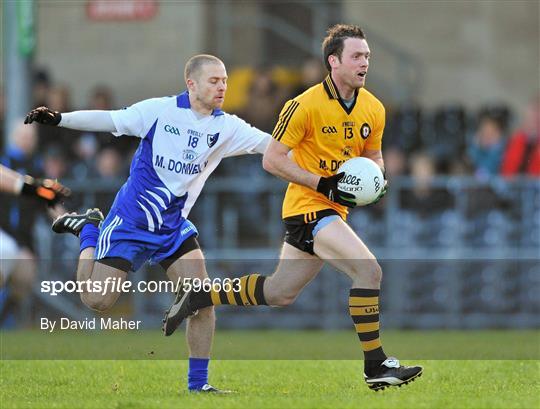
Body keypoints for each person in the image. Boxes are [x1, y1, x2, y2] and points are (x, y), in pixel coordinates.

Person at [163, 24, 422, 391]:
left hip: (332, 210)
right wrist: (323, 183)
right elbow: (272, 159)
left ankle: (201, 295)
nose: (365, 63)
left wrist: (378, 180)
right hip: (307, 207)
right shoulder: (304, 105)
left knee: (278, 293)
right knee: (369, 272)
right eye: (357, 56)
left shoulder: (374, 108)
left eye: (367, 56)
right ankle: (375, 365)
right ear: (334, 61)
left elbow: (374, 154)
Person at [24, 54, 270, 393]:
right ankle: (88, 230)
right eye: (214, 80)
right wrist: (60, 119)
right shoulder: (159, 111)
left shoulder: (227, 127)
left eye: (225, 80)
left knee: (201, 299)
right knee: (96, 301)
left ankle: (198, 386)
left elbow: (274, 147)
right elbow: (108, 118)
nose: (222, 86)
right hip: (129, 223)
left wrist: (328, 161)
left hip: (171, 228)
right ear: (192, 83)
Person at [0, 163, 70, 326]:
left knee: (13, 259)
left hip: (16, 242)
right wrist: (37, 189)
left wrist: (38, 190)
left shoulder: (32, 164)